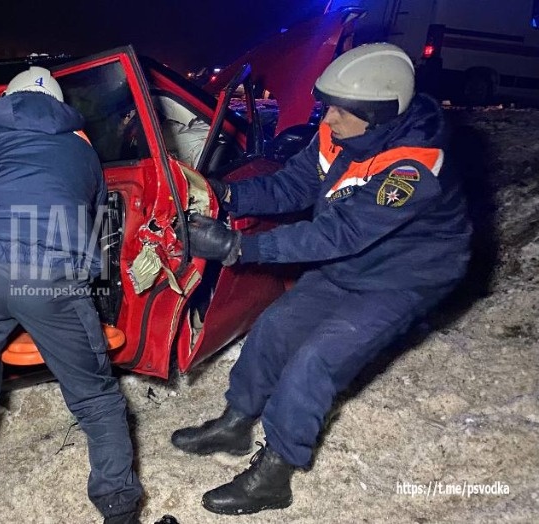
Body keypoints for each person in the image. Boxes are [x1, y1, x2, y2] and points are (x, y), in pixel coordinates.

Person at [171, 43, 472, 515]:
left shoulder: (414, 165)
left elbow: (340, 233)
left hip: (405, 276)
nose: (326, 118)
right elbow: (292, 185)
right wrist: (226, 194)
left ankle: (275, 474)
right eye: (326, 105)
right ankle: (235, 423)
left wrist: (239, 248)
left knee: (315, 361)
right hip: (351, 260)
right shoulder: (339, 132)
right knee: (274, 328)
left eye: (339, 110)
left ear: (377, 116)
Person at [0, 66, 144, 524]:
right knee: (95, 396)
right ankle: (118, 508)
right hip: (51, 272)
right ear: (60, 104)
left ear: (7, 98)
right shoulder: (82, 147)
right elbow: (94, 217)